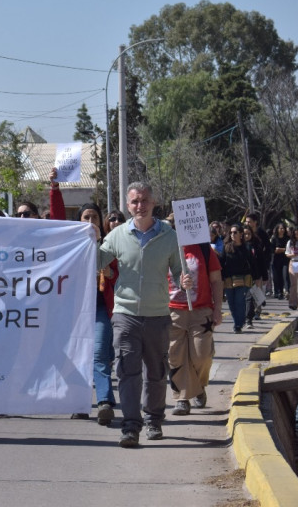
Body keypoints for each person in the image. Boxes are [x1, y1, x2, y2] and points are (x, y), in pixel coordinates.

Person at [98, 182, 188, 448]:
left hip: (158, 315)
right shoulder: (116, 236)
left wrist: (185, 281)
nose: (140, 206)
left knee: (157, 373)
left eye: (145, 200)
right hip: (125, 314)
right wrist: (87, 240)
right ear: (128, 205)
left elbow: (178, 272)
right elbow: (95, 262)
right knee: (127, 371)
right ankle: (130, 426)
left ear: (153, 202)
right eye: (135, 202)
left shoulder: (170, 236)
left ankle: (154, 420)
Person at [48, 169, 118, 424]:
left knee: (99, 354)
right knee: (75, 356)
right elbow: (56, 219)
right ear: (78, 222)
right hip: (73, 310)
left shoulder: (111, 245)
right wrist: (55, 189)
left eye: (94, 218)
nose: (90, 222)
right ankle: (79, 402)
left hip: (100, 309)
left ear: (101, 223)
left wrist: (110, 272)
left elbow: (119, 277)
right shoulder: (70, 245)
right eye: (85, 217)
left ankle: (104, 402)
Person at [167, 239, 223, 416]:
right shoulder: (166, 247)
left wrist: (218, 309)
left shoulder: (204, 249)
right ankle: (182, 398)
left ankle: (198, 387)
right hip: (172, 310)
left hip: (201, 311)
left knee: (202, 355)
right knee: (175, 356)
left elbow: (216, 280)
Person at [218, 223, 258, 333]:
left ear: (241, 234)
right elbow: (221, 262)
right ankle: (239, 321)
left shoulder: (247, 247)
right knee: (231, 303)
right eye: (231, 232)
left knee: (239, 301)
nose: (232, 234)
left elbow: (253, 264)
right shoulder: (226, 247)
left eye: (235, 232)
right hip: (229, 279)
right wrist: (220, 277)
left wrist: (256, 277)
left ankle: (238, 325)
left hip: (243, 279)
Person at [242, 225, 264, 327]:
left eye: (248, 234)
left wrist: (262, 275)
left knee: (250, 297)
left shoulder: (256, 246)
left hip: (253, 275)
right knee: (241, 298)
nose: (246, 236)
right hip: (240, 275)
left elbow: (261, 262)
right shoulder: (237, 246)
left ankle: (248, 319)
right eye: (244, 233)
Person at [270, 223, 290, 299]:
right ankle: (279, 292)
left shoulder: (287, 238)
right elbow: (272, 249)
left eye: (283, 228)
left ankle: (287, 291)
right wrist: (278, 250)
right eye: (280, 228)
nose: (281, 230)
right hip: (276, 260)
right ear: (277, 229)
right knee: (277, 277)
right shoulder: (274, 238)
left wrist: (281, 249)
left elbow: (289, 249)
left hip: (285, 260)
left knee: (285, 275)